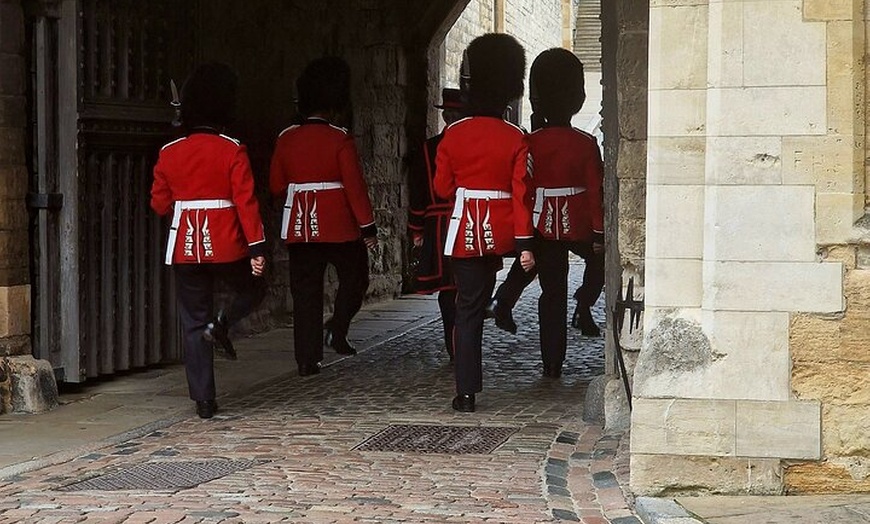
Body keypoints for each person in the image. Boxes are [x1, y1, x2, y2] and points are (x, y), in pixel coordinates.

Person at [151, 62, 267, 419]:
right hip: (227, 240)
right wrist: (257, 247)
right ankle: (223, 323)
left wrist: (184, 209)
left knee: (193, 321)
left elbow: (158, 203)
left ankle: (204, 401)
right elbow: (246, 202)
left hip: (185, 242)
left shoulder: (170, 152)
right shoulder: (232, 150)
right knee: (253, 289)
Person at [434, 34, 535, 413]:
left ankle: (466, 392)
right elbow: (521, 192)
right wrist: (524, 244)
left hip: (465, 231)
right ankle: (505, 298)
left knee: (467, 310)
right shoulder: (515, 137)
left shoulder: (453, 134)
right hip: (507, 227)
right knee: (543, 256)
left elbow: (443, 188)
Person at [490, 48, 605, 378]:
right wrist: (598, 232)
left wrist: (524, 232)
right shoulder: (584, 143)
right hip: (580, 221)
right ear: (576, 98)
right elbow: (594, 190)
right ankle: (584, 305)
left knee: (552, 294)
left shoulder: (530, 141)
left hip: (541, 222)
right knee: (600, 261)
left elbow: (522, 187)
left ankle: (551, 362)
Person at [269, 56, 378, 377]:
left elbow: (276, 185)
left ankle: (307, 359)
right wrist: (367, 226)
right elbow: (354, 187)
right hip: (339, 224)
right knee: (355, 279)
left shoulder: (286, 138)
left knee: (305, 292)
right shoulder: (339, 138)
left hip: (300, 225)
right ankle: (337, 326)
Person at [408, 88, 467, 360]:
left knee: (448, 290)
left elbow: (418, 192)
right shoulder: (469, 144)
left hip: (438, 224)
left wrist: (417, 228)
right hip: (465, 219)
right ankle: (460, 344)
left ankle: (454, 344)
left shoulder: (428, 148)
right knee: (462, 286)